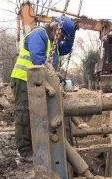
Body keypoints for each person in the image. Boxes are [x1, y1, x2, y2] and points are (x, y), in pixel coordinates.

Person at [10, 15, 76, 158]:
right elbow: (37, 58)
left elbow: (66, 49)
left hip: (37, 81)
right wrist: (54, 74)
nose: (62, 39)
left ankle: (37, 145)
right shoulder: (39, 34)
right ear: (56, 29)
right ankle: (25, 151)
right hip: (23, 80)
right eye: (62, 35)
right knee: (24, 114)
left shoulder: (53, 42)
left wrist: (72, 35)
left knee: (39, 113)